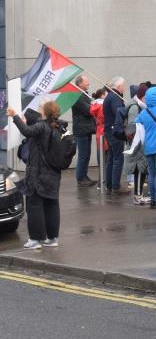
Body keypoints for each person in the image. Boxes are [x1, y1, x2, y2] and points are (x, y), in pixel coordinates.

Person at [8, 102, 65, 249]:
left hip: (38, 173)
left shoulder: (42, 126)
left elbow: (27, 132)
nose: (39, 111)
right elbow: (32, 131)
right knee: (52, 204)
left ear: (44, 112)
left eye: (40, 109)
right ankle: (52, 238)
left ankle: (35, 239)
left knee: (34, 205)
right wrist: (24, 122)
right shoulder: (58, 126)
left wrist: (15, 116)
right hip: (54, 172)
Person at [122, 83, 151, 205]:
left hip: (140, 142)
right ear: (143, 96)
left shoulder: (140, 105)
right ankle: (138, 196)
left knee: (141, 169)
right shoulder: (135, 107)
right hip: (137, 144)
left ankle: (139, 195)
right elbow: (132, 127)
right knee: (139, 169)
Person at [71, 74, 96, 187]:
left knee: (87, 154)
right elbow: (88, 110)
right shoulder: (77, 96)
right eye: (86, 81)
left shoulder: (83, 94)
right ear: (80, 83)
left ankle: (84, 176)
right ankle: (80, 178)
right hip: (81, 130)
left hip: (86, 129)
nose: (88, 83)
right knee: (83, 155)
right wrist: (95, 105)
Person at [103, 77, 126, 195]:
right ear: (118, 86)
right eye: (123, 85)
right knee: (118, 159)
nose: (124, 88)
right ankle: (115, 186)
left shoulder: (109, 96)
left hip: (109, 130)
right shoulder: (115, 97)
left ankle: (110, 185)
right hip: (115, 132)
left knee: (112, 158)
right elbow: (119, 113)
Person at [90, 88, 108, 191]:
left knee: (101, 159)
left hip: (99, 131)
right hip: (105, 131)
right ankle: (104, 182)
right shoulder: (102, 106)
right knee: (107, 158)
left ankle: (100, 182)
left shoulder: (94, 105)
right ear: (102, 95)